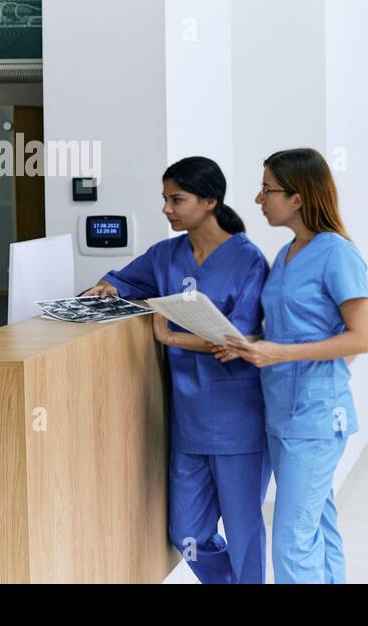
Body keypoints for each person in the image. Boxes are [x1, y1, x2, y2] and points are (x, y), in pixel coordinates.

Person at [83, 157, 271, 584]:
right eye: (165, 199)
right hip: (188, 421)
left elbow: (238, 341)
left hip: (238, 419)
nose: (167, 209)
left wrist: (171, 338)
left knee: (244, 533)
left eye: (176, 199)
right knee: (186, 531)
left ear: (209, 201)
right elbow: (124, 281)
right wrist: (108, 287)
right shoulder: (166, 255)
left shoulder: (248, 260)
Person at [214, 148, 368, 584]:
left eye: (268, 190)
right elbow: (289, 331)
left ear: (298, 198)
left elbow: (359, 337)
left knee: (291, 539)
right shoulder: (286, 255)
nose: (258, 199)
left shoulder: (336, 253)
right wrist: (250, 345)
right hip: (281, 412)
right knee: (317, 523)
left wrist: (277, 354)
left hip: (317, 417)